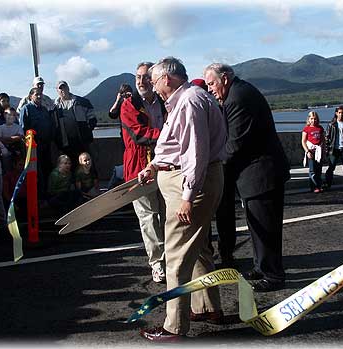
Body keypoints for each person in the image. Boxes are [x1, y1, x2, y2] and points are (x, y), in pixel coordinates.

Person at [138, 57, 226, 342]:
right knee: (198, 248)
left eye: (154, 81)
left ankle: (174, 327)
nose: (152, 87)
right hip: (193, 180)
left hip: (189, 186)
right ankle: (207, 306)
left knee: (175, 256)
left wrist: (188, 196)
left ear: (167, 79)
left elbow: (195, 154)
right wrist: (155, 165)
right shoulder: (186, 99)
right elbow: (177, 146)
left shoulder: (188, 102)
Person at [204, 63, 290, 292]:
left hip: (262, 174)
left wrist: (210, 164)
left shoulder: (237, 98)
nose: (210, 89)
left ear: (224, 78)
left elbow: (234, 144)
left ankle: (273, 275)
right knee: (257, 226)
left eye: (211, 83)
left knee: (266, 227)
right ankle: (261, 267)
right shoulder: (237, 92)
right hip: (255, 175)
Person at [119, 62, 167, 283]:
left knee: (169, 214)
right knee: (148, 217)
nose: (141, 81)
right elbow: (141, 135)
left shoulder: (165, 102)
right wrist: (172, 134)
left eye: (146, 77)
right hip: (139, 167)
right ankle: (157, 263)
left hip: (165, 163)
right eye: (138, 77)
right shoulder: (129, 105)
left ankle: (173, 257)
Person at [19, 87, 55, 198]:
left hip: (46, 144)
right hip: (34, 146)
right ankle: (38, 196)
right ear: (31, 96)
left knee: (46, 169)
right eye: (36, 94)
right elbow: (23, 128)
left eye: (40, 94)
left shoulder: (44, 109)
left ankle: (47, 194)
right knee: (37, 171)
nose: (39, 96)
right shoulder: (26, 108)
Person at [53, 80, 97, 168]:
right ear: (57, 91)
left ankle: (91, 180)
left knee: (87, 163)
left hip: (82, 140)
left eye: (64, 87)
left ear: (68, 88)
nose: (62, 90)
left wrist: (87, 131)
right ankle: (73, 182)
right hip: (66, 142)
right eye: (60, 89)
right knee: (70, 165)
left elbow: (92, 119)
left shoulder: (82, 101)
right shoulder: (55, 106)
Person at [302, 111, 325, 193]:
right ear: (309, 119)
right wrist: (307, 151)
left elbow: (323, 140)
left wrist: (323, 151)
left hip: (319, 152)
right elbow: (303, 141)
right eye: (311, 119)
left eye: (315, 119)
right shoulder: (306, 129)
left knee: (318, 170)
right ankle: (314, 186)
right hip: (311, 151)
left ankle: (318, 185)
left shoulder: (320, 128)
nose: (313, 120)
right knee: (312, 170)